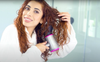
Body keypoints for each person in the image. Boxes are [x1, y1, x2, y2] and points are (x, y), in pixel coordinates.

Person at [0, 0, 77, 62]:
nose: (28, 13)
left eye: (36, 11)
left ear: (42, 20)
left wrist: (67, 25)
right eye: (27, 8)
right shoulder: (12, 30)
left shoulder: (37, 37)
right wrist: (36, 50)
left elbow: (61, 51)